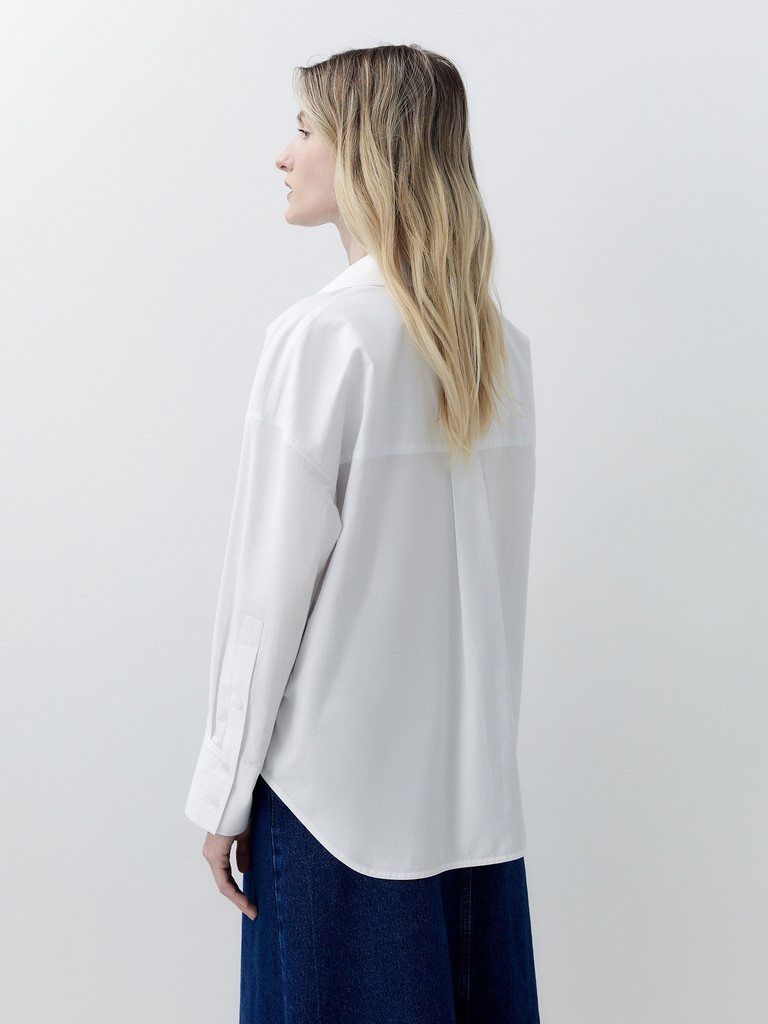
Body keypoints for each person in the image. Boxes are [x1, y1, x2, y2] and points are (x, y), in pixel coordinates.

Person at [185, 43, 540, 1024]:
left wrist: (222, 794)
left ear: (366, 153)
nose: (284, 154)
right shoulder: (499, 351)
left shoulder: (323, 338)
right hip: (471, 806)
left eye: (305, 129)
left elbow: (265, 597)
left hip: (332, 809)